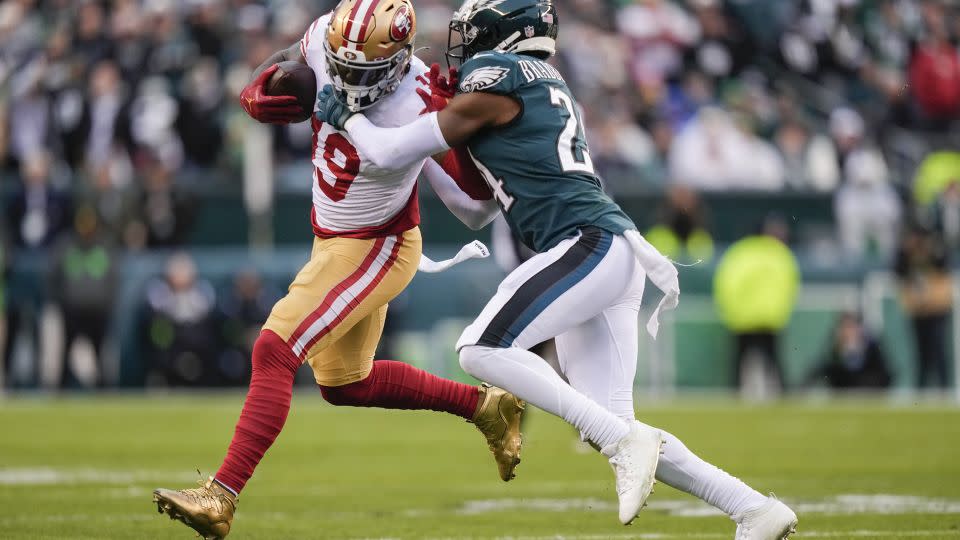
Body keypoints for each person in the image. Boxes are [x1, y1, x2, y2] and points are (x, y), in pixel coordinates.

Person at [316, 0, 797, 536]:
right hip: (608, 249)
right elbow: (475, 209)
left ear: (505, 39)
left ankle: (624, 444)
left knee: (480, 349)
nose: (464, 49)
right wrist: (423, 145)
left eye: (473, 36)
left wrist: (351, 116)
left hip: (585, 244)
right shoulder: (540, 82)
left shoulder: (500, 75)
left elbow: (386, 152)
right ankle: (752, 507)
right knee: (614, 423)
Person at [152, 2, 523, 538]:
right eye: (338, 65)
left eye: (361, 73)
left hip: (377, 247)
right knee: (346, 384)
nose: (345, 79)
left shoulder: (421, 97)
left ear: (396, 63)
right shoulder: (329, 36)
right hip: (331, 239)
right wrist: (261, 92)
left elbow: (473, 208)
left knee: (274, 348)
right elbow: (278, 69)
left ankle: (221, 496)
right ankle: (483, 404)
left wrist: (452, 143)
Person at [894, 221, 952, 390]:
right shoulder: (906, 253)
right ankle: (920, 390)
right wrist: (907, 250)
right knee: (921, 353)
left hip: (937, 308)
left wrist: (929, 250)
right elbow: (898, 270)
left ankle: (944, 389)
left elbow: (943, 265)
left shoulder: (936, 250)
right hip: (917, 309)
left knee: (939, 349)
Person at [806, 312, 892, 390]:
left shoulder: (873, 350)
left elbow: (885, 377)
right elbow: (819, 375)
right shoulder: (833, 354)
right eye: (844, 328)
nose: (847, 332)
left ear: (859, 329)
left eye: (850, 327)